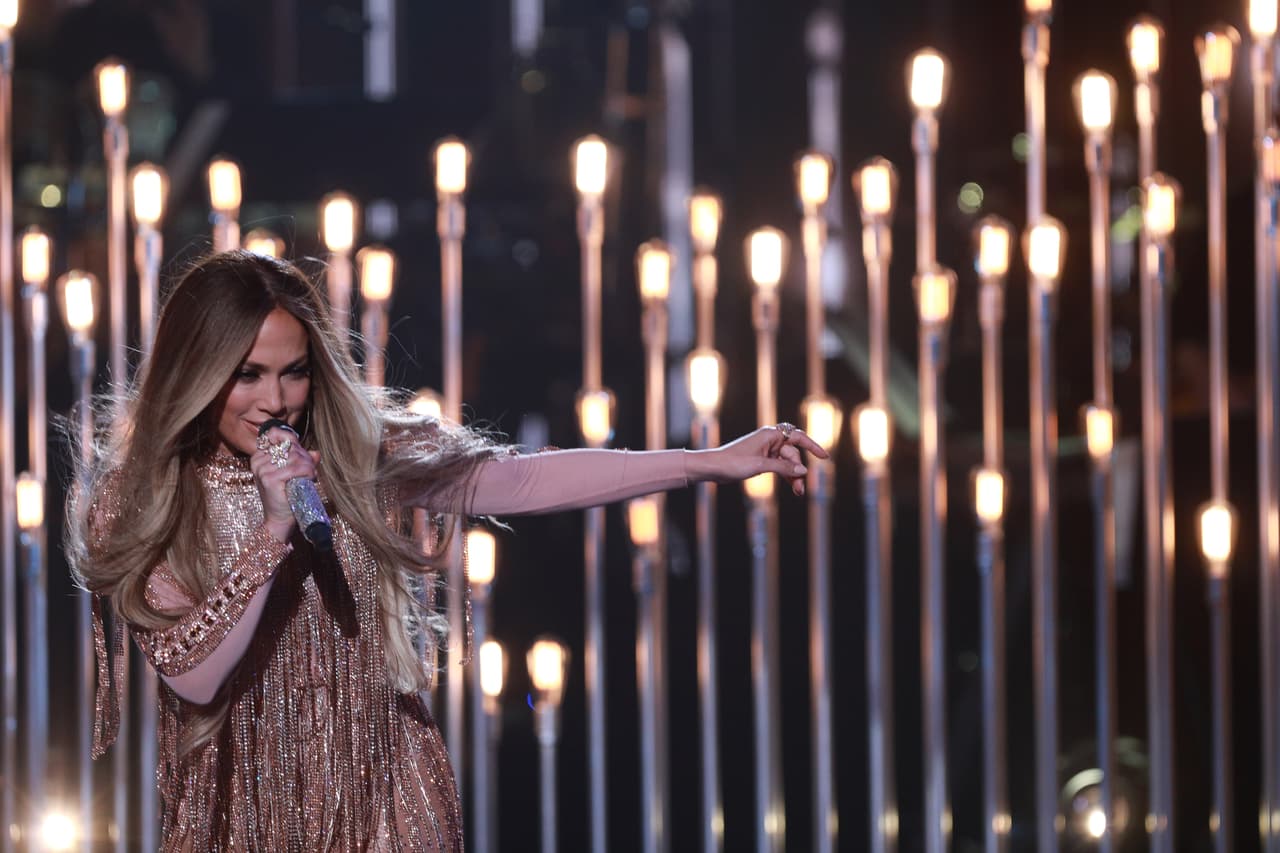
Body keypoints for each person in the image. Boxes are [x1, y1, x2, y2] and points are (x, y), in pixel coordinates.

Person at [67, 249, 824, 851]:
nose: (275, 400)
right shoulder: (144, 499)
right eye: (248, 376)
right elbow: (194, 675)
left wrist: (706, 460)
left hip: (388, 787)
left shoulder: (351, 456)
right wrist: (273, 531)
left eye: (293, 372)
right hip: (242, 807)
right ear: (196, 372)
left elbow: (517, 480)